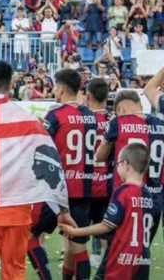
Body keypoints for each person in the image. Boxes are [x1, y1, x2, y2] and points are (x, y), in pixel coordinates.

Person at [0, 61, 70, 280]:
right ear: (11, 84)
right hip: (17, 210)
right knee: (14, 271)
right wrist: (63, 208)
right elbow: (52, 163)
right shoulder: (28, 119)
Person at [61, 143, 154, 279]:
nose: (117, 168)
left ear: (126, 164)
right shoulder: (148, 194)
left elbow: (106, 226)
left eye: (118, 164)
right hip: (142, 261)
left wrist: (75, 232)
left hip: (120, 261)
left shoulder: (123, 192)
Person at [44, 68, 98, 280]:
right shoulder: (90, 116)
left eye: (55, 85)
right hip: (85, 186)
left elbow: (44, 148)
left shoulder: (55, 115)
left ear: (61, 88)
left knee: (31, 235)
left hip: (60, 189)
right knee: (77, 244)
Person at [96, 90, 164, 251]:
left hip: (127, 196)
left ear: (121, 110)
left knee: (116, 255)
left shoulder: (118, 123)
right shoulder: (161, 125)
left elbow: (100, 156)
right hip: (155, 198)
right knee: (141, 252)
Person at [85, 78, 113, 267]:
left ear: (88, 96)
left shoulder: (83, 118)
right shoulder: (113, 120)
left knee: (77, 226)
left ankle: (92, 249)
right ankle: (106, 260)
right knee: (107, 223)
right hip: (108, 180)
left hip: (85, 180)